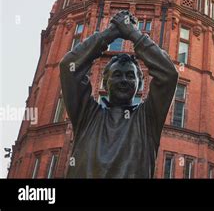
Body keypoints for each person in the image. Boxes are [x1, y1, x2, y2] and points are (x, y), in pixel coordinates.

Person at [59, 10, 179, 178]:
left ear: (140, 85)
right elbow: (68, 67)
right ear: (104, 82)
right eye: (117, 75)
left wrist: (132, 33)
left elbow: (169, 74)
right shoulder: (86, 116)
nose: (124, 80)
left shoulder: (147, 120)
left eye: (130, 76)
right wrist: (110, 33)